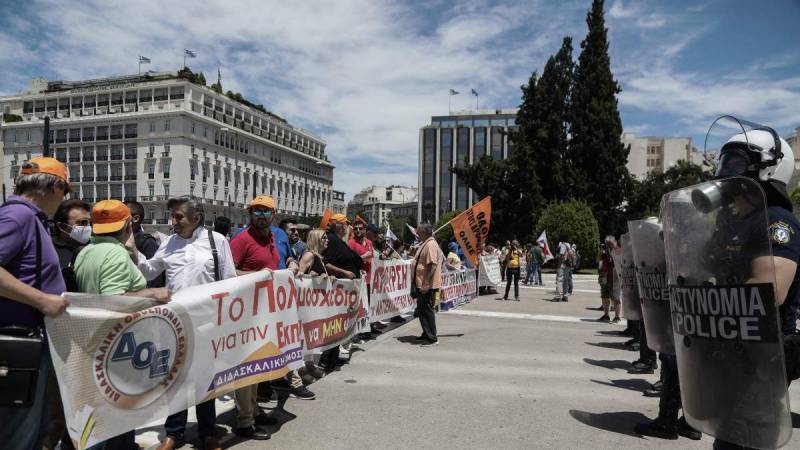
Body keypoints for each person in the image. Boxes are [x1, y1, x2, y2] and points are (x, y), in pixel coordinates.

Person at [136, 197, 236, 450]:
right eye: (173, 216)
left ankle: (207, 432)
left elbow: (229, 281)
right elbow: (149, 272)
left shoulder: (217, 241)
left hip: (207, 322)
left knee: (205, 379)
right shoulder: (168, 243)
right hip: (175, 322)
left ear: (196, 218)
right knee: (175, 378)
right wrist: (130, 249)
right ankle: (174, 433)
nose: (173, 221)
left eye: (178, 216)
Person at [73, 200, 171, 450]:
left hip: (96, 343)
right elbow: (113, 301)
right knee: (117, 415)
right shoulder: (115, 253)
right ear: (128, 224)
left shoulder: (87, 251)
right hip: (118, 348)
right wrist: (154, 294)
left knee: (104, 416)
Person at [0, 157, 71, 450]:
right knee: (18, 435)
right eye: (66, 190)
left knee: (34, 432)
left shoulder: (30, 218)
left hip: (29, 342)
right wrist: (42, 301)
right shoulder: (18, 217)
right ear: (55, 186)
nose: (65, 199)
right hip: (20, 343)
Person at [413, 222, 443, 347]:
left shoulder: (430, 244)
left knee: (427, 310)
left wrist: (425, 283)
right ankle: (426, 333)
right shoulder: (427, 243)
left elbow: (432, 264)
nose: (417, 234)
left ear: (424, 232)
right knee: (422, 310)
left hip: (427, 285)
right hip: (422, 284)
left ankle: (432, 338)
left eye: (418, 232)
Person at [126, 200, 165, 288]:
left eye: (123, 215)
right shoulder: (120, 238)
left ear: (135, 218)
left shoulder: (147, 242)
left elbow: (154, 276)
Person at [598, 237, 620, 322]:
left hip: (614, 277)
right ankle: (606, 315)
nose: (608, 245)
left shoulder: (618, 250)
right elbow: (599, 262)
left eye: (610, 243)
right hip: (604, 276)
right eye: (607, 244)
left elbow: (617, 261)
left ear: (614, 242)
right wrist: (601, 254)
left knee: (615, 297)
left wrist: (610, 252)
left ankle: (617, 317)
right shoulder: (604, 252)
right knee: (604, 297)